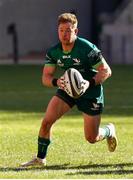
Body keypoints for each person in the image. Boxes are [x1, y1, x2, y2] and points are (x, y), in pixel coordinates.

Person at [21, 13, 118, 167]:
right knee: (47, 122)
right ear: (57, 31)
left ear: (76, 31)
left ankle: (108, 130)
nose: (64, 34)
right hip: (68, 88)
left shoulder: (87, 48)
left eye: (68, 30)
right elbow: (46, 77)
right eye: (61, 30)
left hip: (91, 91)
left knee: (92, 138)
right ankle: (40, 159)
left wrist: (88, 83)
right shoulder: (54, 52)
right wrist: (57, 81)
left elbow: (106, 71)